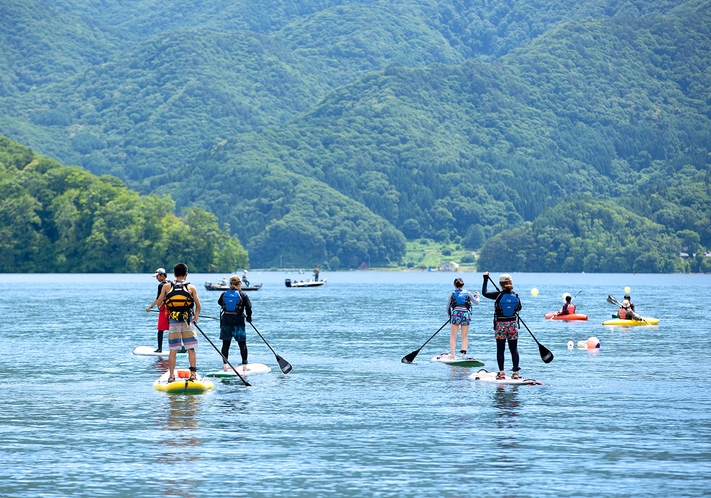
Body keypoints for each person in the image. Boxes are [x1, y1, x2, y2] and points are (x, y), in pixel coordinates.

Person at [146, 263, 201, 381]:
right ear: (186, 274)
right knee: (191, 349)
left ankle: (171, 376)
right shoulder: (191, 287)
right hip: (187, 321)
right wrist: (195, 317)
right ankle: (193, 374)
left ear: (174, 274)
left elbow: (160, 303)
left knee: (173, 350)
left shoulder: (166, 286)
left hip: (174, 321)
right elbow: (198, 306)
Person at [482, 272, 522, 380]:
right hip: (513, 324)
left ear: (500, 284)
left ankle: (502, 373)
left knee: (500, 350)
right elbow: (519, 308)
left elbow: (484, 293)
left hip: (500, 325)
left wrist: (485, 279)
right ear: (511, 282)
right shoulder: (515, 295)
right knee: (514, 350)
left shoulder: (498, 295)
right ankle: (515, 373)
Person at [218, 275, 253, 371]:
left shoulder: (224, 294)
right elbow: (249, 307)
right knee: (242, 344)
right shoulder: (243, 295)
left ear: (230, 284)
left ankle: (225, 366)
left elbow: (220, 303)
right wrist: (249, 318)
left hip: (226, 322)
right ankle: (245, 365)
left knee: (225, 344)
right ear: (240, 284)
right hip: (238, 322)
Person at [447, 278, 480, 358]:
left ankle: (452, 354)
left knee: (453, 335)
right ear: (462, 285)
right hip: (465, 314)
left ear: (454, 285)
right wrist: (477, 296)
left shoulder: (452, 294)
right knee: (464, 336)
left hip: (455, 315)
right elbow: (476, 302)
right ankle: (464, 354)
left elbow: (447, 307)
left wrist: (450, 317)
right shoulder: (468, 293)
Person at [152, 267, 169, 352]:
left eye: (157, 276)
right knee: (174, 328)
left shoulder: (162, 285)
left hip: (165, 310)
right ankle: (179, 347)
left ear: (162, 275)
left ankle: (160, 348)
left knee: (160, 329)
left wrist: (151, 307)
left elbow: (158, 299)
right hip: (174, 309)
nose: (156, 278)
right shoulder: (172, 283)